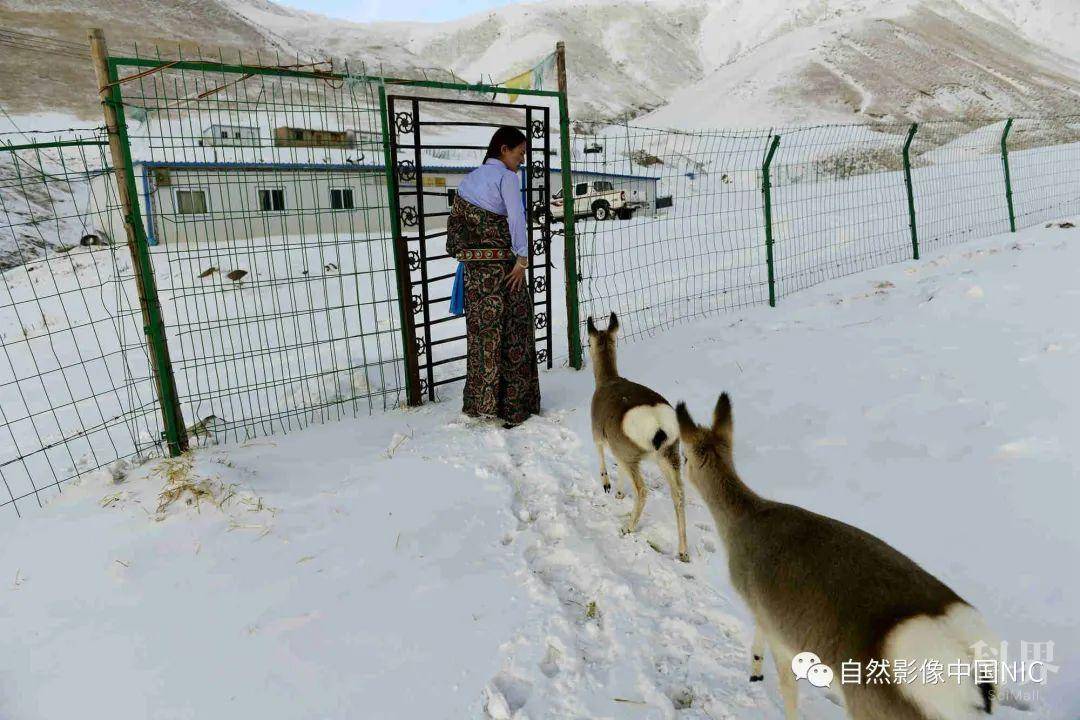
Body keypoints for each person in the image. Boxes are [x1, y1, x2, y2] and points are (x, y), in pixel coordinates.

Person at [445, 126, 541, 428]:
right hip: (506, 275)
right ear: (503, 149)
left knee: (482, 338)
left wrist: (474, 258)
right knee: (514, 333)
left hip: (476, 279)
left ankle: (480, 403)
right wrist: (522, 260)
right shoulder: (507, 179)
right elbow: (516, 219)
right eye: (520, 152)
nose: (522, 159)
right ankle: (513, 408)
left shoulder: (469, 181)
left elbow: (455, 233)